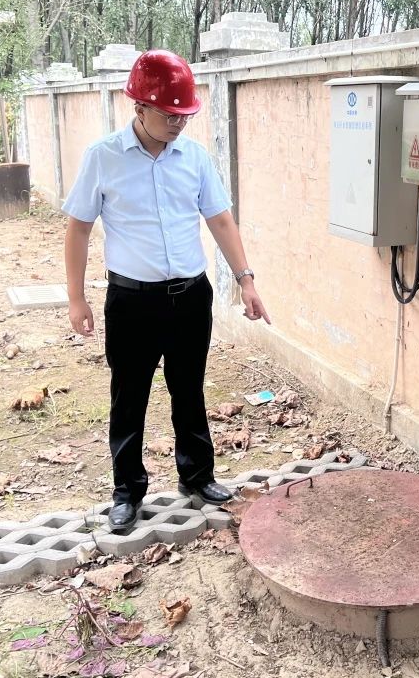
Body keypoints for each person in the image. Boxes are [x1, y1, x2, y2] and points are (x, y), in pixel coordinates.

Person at [63, 49, 270, 532]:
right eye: (169, 114)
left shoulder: (194, 158)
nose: (179, 123)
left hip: (190, 297)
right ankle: (127, 490)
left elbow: (219, 219)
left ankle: (197, 476)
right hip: (132, 300)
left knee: (188, 389)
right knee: (129, 395)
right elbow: (77, 229)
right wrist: (76, 297)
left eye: (185, 114)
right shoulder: (103, 158)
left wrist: (246, 280)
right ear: (139, 108)